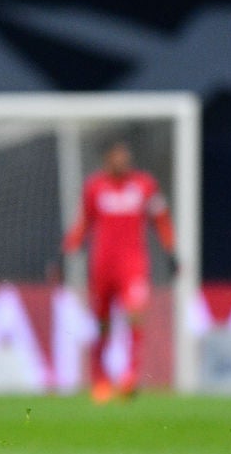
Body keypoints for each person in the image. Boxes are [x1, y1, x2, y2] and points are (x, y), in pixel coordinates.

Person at [61, 140, 177, 403]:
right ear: (107, 160)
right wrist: (67, 249)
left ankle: (130, 377)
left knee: (136, 316)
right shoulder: (94, 187)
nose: (123, 162)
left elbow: (161, 219)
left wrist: (171, 251)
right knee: (102, 325)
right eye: (117, 157)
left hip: (133, 266)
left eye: (126, 157)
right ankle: (100, 379)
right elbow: (85, 223)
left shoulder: (145, 185)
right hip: (102, 267)